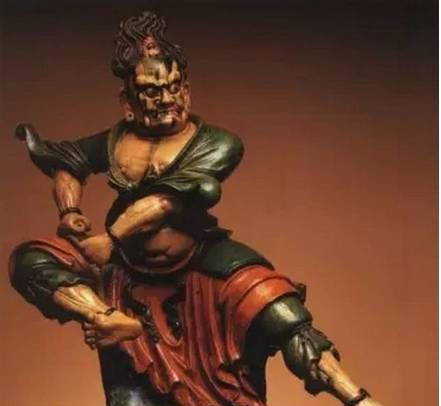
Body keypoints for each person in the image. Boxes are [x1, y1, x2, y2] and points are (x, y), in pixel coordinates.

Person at [9, 11, 383, 406]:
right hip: (125, 281)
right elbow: (67, 161)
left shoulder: (218, 143)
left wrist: (112, 238)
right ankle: (103, 317)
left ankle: (356, 398)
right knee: (30, 260)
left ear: (185, 90)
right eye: (151, 91)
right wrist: (69, 212)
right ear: (128, 100)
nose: (165, 99)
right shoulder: (117, 140)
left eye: (173, 87)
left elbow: (167, 202)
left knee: (276, 305)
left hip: (198, 266)